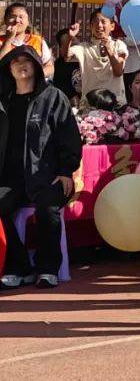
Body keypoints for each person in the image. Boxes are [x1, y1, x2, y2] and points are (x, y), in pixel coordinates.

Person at [0, 45, 81, 289]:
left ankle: (48, 268)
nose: (20, 65)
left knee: (47, 209)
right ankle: (19, 265)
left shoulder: (53, 97)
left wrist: (66, 170)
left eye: (26, 60)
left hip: (46, 176)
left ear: (36, 66)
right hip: (10, 178)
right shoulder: (4, 100)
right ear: (8, 68)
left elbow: (69, 136)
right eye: (15, 61)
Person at [63, 12, 128, 107]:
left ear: (112, 26)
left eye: (103, 22)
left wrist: (109, 50)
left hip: (115, 103)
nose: (99, 25)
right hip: (90, 104)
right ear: (91, 26)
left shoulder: (119, 45)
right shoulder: (84, 47)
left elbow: (118, 71)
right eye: (95, 22)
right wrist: (70, 37)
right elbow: (66, 56)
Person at [0, 4, 55, 80]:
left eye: (21, 17)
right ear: (5, 20)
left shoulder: (38, 40)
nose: (17, 20)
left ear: (28, 21)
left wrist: (36, 75)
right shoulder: (1, 41)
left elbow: (50, 66)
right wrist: (9, 39)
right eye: (13, 17)